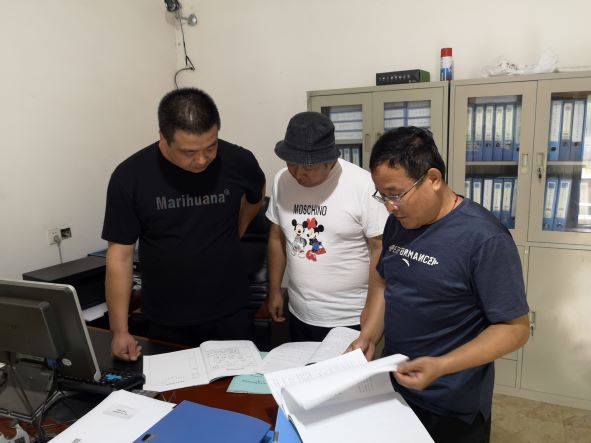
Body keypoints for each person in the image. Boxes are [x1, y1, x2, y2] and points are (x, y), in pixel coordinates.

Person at [350, 127, 530, 443]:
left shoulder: (484, 239)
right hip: (396, 385)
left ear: (433, 178)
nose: (389, 206)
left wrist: (442, 366)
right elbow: (384, 280)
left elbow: (515, 329)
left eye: (395, 194)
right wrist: (369, 334)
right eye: (382, 195)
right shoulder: (398, 222)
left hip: (451, 401)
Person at [102, 87, 265, 360]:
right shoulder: (130, 177)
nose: (201, 160)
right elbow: (120, 256)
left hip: (230, 310)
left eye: (211, 147)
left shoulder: (239, 161)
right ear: (163, 138)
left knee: (237, 385)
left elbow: (255, 195)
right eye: (189, 152)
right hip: (167, 315)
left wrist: (237, 229)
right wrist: (119, 330)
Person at [266, 111, 388, 341]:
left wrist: (374, 312)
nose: (298, 174)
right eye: (291, 163)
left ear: (330, 160)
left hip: (350, 316)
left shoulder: (363, 185)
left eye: (308, 167)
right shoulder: (282, 180)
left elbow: (380, 249)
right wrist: (274, 291)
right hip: (299, 311)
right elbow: (276, 236)